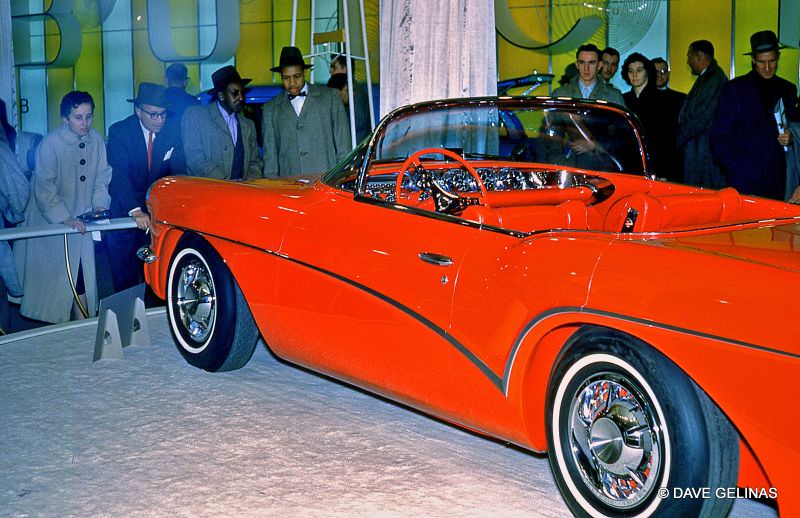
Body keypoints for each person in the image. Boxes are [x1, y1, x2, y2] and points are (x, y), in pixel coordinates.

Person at [14, 91, 112, 323]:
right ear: (65, 118)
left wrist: (99, 206)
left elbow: (102, 177)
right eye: (78, 117)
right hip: (50, 224)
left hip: (81, 221)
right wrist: (64, 217)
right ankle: (64, 334)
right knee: (57, 284)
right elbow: (44, 187)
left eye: (89, 117)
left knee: (80, 278)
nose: (85, 123)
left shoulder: (96, 140)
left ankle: (83, 330)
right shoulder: (50, 144)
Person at [106, 82, 185, 293]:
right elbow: (119, 176)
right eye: (153, 115)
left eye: (163, 114)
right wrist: (135, 210)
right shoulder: (119, 132)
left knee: (155, 271)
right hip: (126, 211)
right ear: (138, 111)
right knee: (124, 275)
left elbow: (177, 174)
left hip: (155, 213)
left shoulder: (171, 134)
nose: (159, 120)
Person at [710, 30, 797, 200]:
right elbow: (718, 138)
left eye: (772, 61)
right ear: (753, 60)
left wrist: (792, 137)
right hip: (743, 181)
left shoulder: (788, 89)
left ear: (777, 58)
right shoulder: (734, 89)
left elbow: (796, 128)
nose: (767, 67)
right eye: (761, 62)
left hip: (780, 180)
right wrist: (738, 171)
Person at [261, 46, 351, 177]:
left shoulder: (330, 98)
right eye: (286, 78)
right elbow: (270, 158)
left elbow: (343, 146)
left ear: (304, 72)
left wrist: (342, 179)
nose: (292, 83)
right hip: (290, 185)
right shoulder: (271, 109)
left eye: (296, 76)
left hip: (325, 182)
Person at [182, 65, 263, 179]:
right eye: (235, 93)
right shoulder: (197, 116)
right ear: (221, 96)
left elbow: (255, 162)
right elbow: (194, 159)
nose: (241, 98)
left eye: (242, 93)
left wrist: (247, 185)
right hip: (209, 192)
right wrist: (224, 183)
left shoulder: (248, 125)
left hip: (242, 193)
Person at [677, 40, 728, 189]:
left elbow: (701, 117)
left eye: (689, 56)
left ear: (699, 57)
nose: (688, 61)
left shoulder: (714, 79)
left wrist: (678, 138)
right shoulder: (709, 77)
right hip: (700, 150)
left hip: (704, 153)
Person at [621, 53, 670, 179]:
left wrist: (664, 172)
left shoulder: (662, 100)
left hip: (655, 164)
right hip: (628, 163)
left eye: (639, 70)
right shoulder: (623, 99)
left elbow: (666, 140)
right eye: (630, 71)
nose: (634, 75)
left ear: (647, 72)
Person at [552, 44, 625, 105]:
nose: (586, 68)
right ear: (577, 65)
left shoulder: (614, 97)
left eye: (591, 63)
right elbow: (550, 121)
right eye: (582, 62)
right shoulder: (560, 94)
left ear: (599, 65)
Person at [651, 57, 686, 182]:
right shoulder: (638, 99)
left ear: (668, 73)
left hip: (673, 160)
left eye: (663, 71)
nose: (660, 75)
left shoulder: (681, 99)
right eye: (656, 72)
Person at [327, 72, 371, 143]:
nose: (353, 94)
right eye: (348, 90)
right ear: (337, 92)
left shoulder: (345, 109)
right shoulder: (326, 112)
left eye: (353, 90)